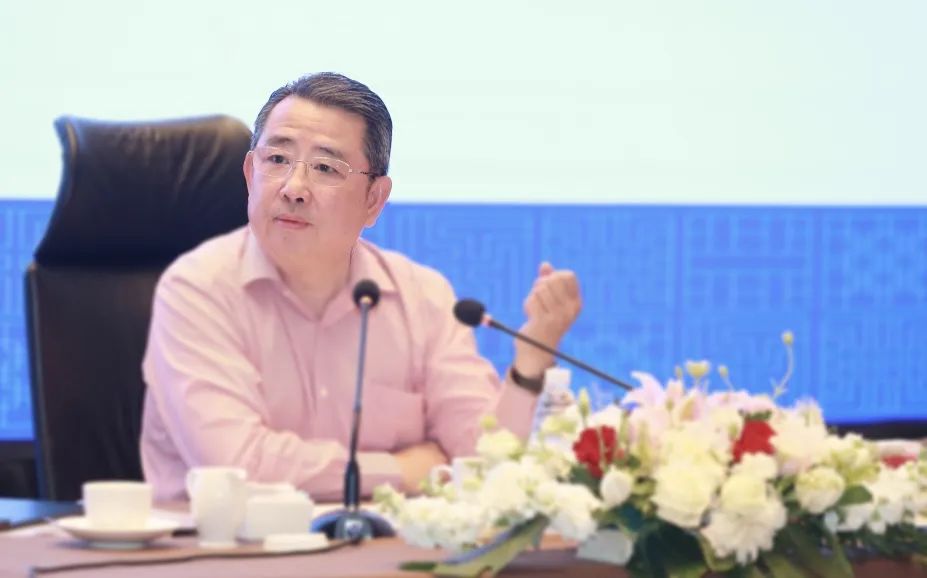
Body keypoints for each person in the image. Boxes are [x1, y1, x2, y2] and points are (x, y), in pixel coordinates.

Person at [140, 72, 581, 502]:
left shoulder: (423, 297)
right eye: (276, 160)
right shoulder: (197, 290)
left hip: (386, 544)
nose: (294, 188)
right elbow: (237, 465)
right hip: (224, 545)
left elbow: (483, 460)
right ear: (250, 173)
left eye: (325, 168)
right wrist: (404, 470)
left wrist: (531, 360)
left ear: (374, 200)